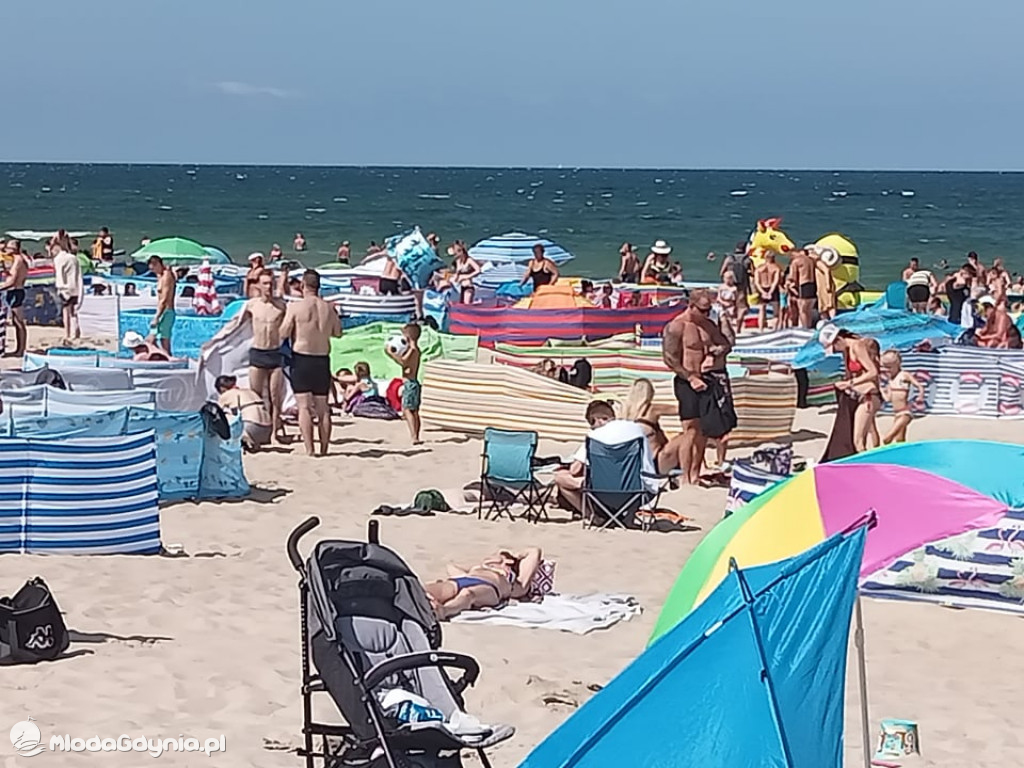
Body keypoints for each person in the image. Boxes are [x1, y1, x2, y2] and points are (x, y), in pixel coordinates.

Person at [552, 400, 657, 515]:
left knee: (560, 477)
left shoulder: (595, 436)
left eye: (591, 424)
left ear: (597, 419)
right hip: (640, 493)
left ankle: (591, 516)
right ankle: (628, 517)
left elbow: (575, 470)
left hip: (601, 493)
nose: (592, 428)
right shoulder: (636, 429)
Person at [661, 289, 721, 484]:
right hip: (686, 381)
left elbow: (726, 343)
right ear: (691, 306)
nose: (706, 314)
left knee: (704, 429)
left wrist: (713, 354)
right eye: (703, 310)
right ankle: (685, 475)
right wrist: (690, 377)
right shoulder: (676, 326)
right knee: (690, 429)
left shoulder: (708, 325)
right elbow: (669, 358)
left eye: (708, 310)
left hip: (707, 379)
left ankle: (696, 474)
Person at [280, 270, 342, 456]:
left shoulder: (295, 307)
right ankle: (324, 448)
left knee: (304, 407)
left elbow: (283, 332)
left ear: (302, 285)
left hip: (302, 358)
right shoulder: (328, 308)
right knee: (323, 408)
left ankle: (310, 449)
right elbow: (338, 332)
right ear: (319, 286)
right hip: (322, 359)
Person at [223, 270, 288, 442]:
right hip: (258, 353)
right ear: (258, 285)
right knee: (255, 396)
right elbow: (235, 326)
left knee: (275, 396)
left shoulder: (281, 305)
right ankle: (256, 431)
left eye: (271, 283)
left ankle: (275, 431)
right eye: (265, 283)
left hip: (275, 353)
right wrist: (219, 342)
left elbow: (291, 327)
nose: (269, 286)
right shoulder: (252, 305)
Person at [424, 547, 542, 620]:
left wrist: (514, 556)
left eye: (497, 555)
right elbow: (451, 566)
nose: (491, 556)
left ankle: (444, 611)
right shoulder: (478, 568)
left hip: (490, 588)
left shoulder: (513, 582)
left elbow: (534, 551)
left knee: (468, 594)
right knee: (427, 589)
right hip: (464, 580)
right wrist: (482, 565)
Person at [820, 325, 881, 455]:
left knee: (857, 441)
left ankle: (868, 469)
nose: (835, 350)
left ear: (839, 339)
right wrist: (845, 383)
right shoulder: (846, 350)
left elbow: (873, 372)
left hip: (869, 395)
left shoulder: (858, 346)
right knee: (862, 435)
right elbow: (850, 374)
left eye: (834, 347)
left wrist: (849, 383)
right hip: (858, 394)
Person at [215, 375, 273, 452]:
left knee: (225, 415)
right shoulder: (249, 391)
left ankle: (242, 438)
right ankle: (253, 441)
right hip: (268, 429)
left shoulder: (227, 394)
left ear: (222, 388)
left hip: (251, 427)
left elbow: (215, 412)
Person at [386, 323, 423, 444]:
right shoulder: (416, 350)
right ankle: (416, 434)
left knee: (407, 410)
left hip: (410, 384)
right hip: (413, 383)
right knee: (414, 411)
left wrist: (390, 354)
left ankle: (414, 436)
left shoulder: (412, 350)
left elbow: (403, 362)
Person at [880, 350, 925, 445]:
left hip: (905, 412)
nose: (887, 370)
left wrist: (920, 395)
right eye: (885, 367)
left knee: (887, 438)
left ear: (897, 365)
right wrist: (881, 390)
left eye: (889, 367)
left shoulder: (904, 375)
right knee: (900, 440)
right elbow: (888, 399)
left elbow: (919, 385)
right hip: (896, 414)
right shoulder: (890, 381)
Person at [1, 239, 29, 356]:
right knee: (16, 321)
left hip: (16, 291)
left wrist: (1, 287)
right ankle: (19, 349)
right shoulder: (17, 260)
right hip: (15, 291)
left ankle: (21, 349)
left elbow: (13, 281)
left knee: (18, 321)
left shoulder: (18, 260)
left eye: (8, 247)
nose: (6, 249)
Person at [53, 236, 83, 343]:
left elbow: (60, 275)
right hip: (74, 286)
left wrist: (60, 287)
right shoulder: (74, 258)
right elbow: (78, 274)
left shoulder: (58, 259)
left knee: (66, 311)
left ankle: (68, 333)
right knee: (73, 311)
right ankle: (76, 330)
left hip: (64, 287)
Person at [148, 255, 176, 353]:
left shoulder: (167, 276)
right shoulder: (161, 276)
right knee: (152, 339)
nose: (154, 272)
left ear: (158, 265)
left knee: (164, 341)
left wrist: (157, 316)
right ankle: (161, 356)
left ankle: (168, 359)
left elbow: (164, 299)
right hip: (162, 311)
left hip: (166, 311)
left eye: (154, 269)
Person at [788, 248, 817, 328]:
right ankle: (809, 327)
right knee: (809, 310)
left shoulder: (796, 261)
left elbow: (793, 277)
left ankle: (805, 328)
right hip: (813, 285)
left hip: (803, 285)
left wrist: (790, 285)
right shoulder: (811, 260)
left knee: (802, 310)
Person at [754, 251, 782, 331]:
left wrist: (763, 292)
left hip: (762, 287)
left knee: (762, 310)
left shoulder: (759, 268)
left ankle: (761, 329)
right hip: (772, 289)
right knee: (776, 312)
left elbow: (757, 282)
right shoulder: (776, 268)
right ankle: (774, 329)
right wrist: (770, 292)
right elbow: (775, 282)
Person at [716, 271, 738, 341]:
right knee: (722, 320)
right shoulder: (721, 287)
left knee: (730, 320)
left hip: (731, 305)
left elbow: (736, 299)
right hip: (722, 304)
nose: (727, 280)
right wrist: (723, 302)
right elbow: (718, 298)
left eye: (729, 278)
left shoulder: (734, 288)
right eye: (725, 278)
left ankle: (731, 335)